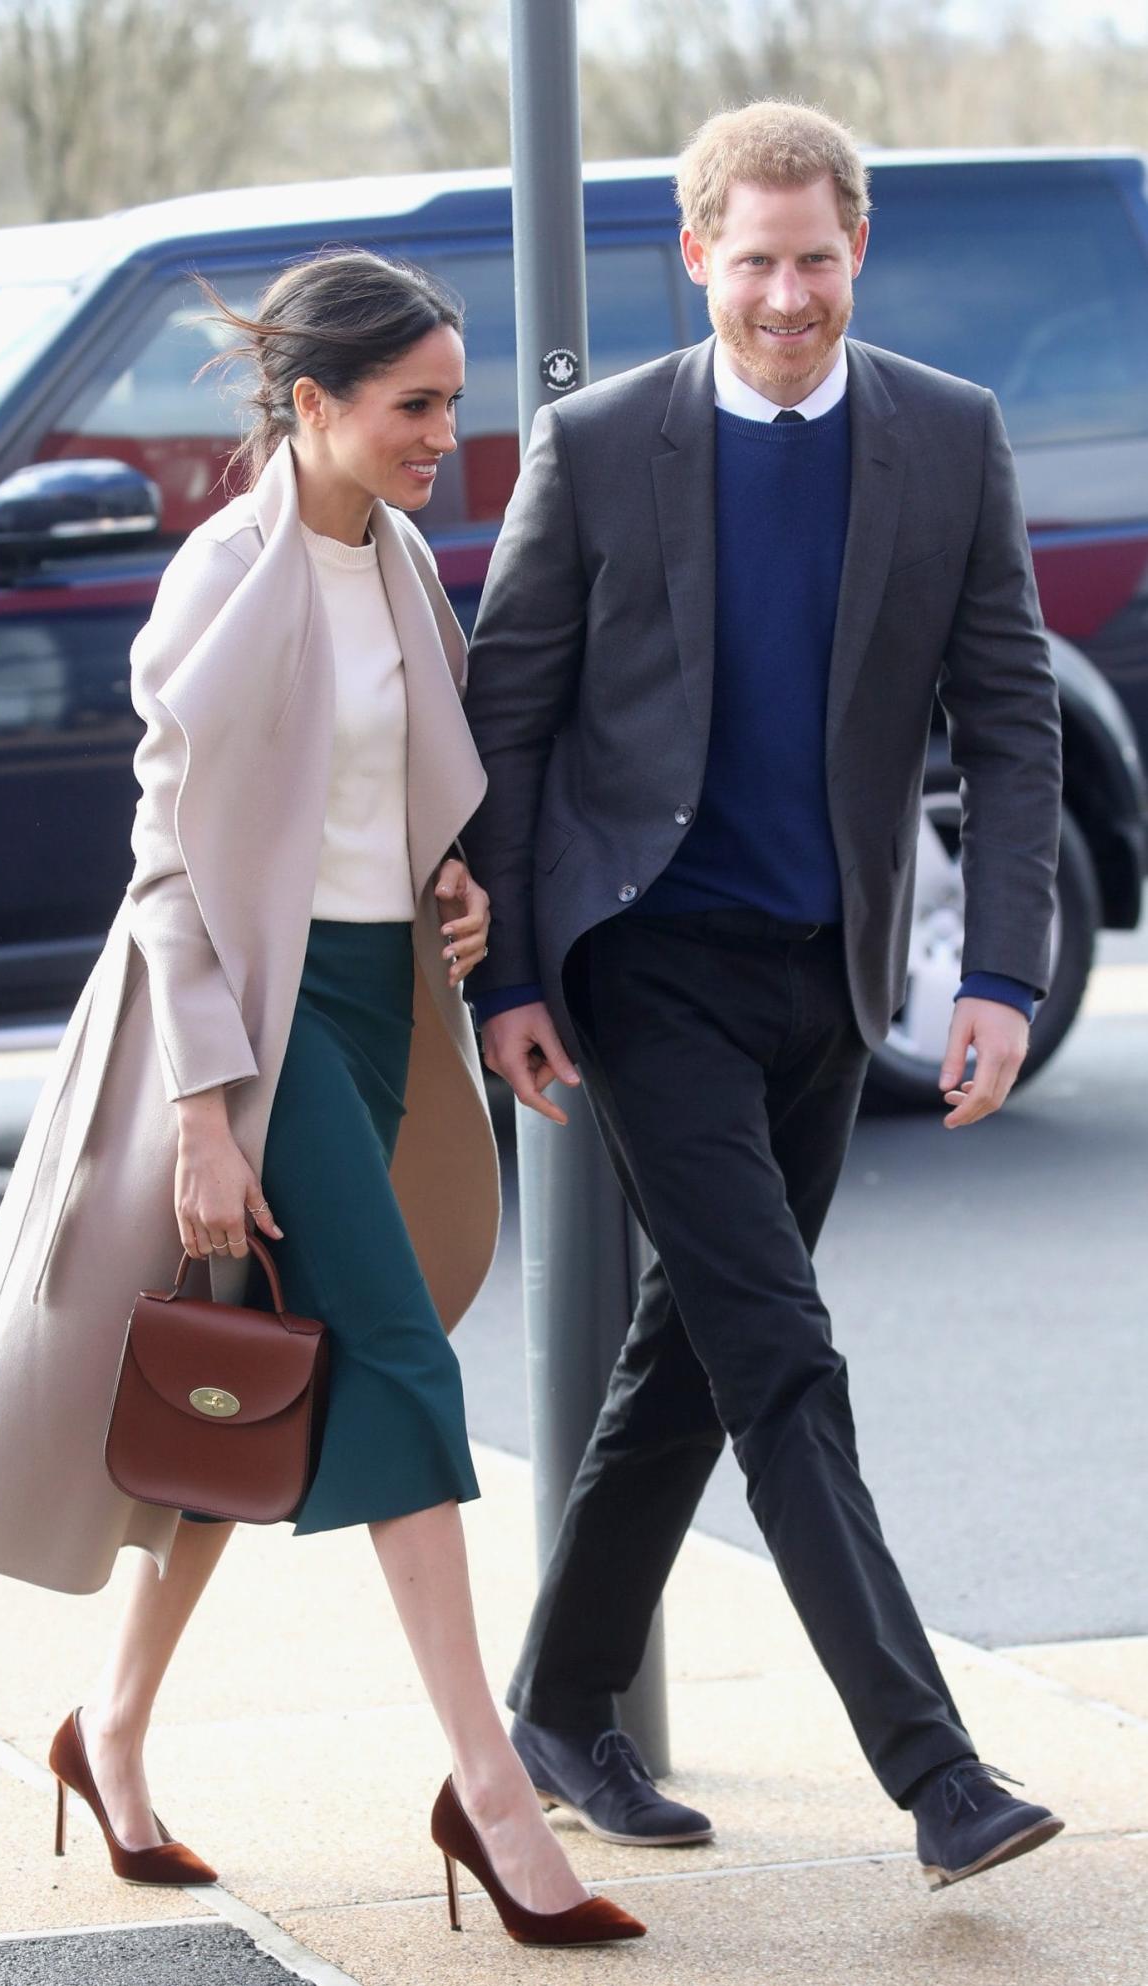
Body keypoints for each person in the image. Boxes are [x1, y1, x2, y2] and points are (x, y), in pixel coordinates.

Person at [0, 251, 644, 1948]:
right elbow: (168, 863)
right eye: (414, 408)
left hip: (381, 1001)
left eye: (456, 403)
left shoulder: (392, 565)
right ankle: (489, 1780)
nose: (447, 441)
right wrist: (204, 1109)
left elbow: (396, 793)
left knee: (264, 1388)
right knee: (389, 1350)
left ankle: (110, 1728)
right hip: (254, 1012)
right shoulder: (223, 577)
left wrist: (453, 893)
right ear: (311, 406)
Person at [462, 100, 1066, 1892]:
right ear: (695, 255)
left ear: (854, 251)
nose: (786, 296)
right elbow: (508, 717)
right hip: (642, 960)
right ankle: (933, 1767)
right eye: (755, 262)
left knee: (700, 1349)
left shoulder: (946, 439)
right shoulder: (598, 443)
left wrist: (1004, 970)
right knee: (781, 1353)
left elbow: (1010, 717)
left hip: (827, 969)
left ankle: (559, 1703)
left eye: (815, 260)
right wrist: (503, 970)